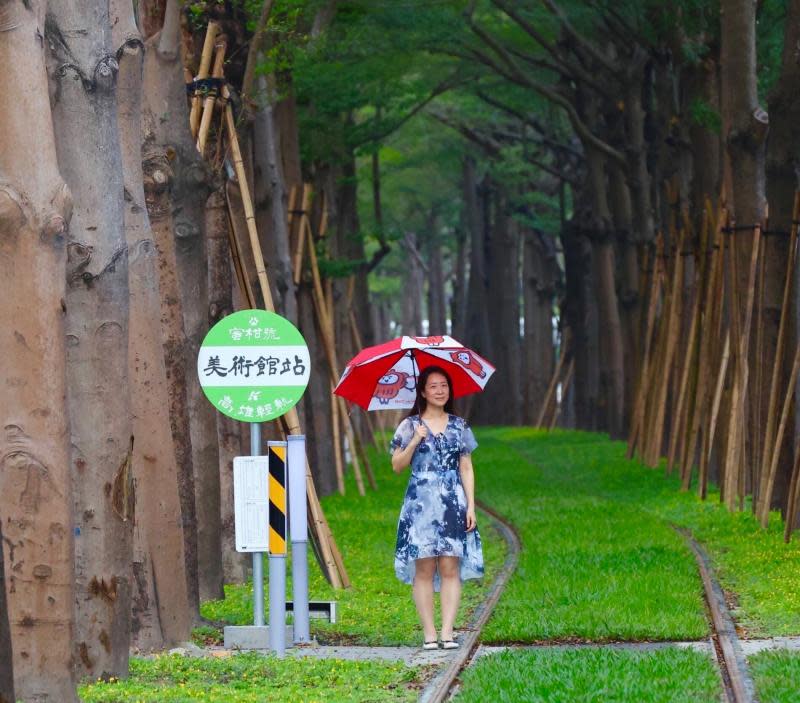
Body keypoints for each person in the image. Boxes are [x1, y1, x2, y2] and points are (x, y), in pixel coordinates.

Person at [390, 365, 484, 650]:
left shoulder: (459, 426)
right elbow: (397, 466)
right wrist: (416, 439)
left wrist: (471, 506)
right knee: (424, 568)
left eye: (444, 385)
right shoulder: (409, 426)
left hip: (452, 501)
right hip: (420, 504)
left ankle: (447, 631)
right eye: (433, 386)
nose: (440, 390)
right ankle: (429, 633)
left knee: (450, 565)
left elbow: (466, 467)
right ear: (422, 392)